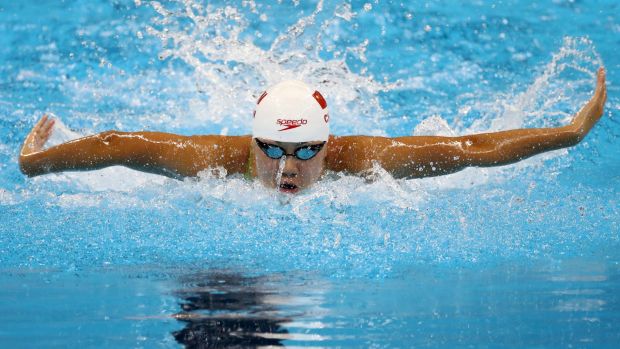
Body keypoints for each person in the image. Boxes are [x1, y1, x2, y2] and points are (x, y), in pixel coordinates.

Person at [19, 68, 607, 194]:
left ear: (330, 144)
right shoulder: (208, 160)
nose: (287, 168)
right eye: (271, 149)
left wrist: (571, 131)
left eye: (306, 152)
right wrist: (31, 162)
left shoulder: (364, 160)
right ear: (251, 141)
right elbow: (115, 145)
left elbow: (471, 150)